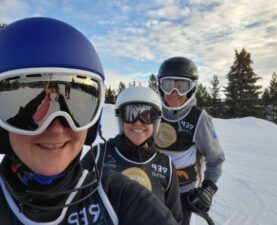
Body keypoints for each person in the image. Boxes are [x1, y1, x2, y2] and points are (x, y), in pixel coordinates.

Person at [0, 17, 179, 225]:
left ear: (93, 124)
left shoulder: (119, 199)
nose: (56, 129)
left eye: (78, 108)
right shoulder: (101, 155)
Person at [154, 56, 225, 225]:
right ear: (160, 86)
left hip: (182, 192)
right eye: (168, 85)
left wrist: (208, 187)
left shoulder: (198, 119)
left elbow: (216, 159)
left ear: (192, 88)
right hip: (152, 186)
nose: (174, 93)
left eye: (182, 87)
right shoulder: (153, 111)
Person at [97, 86, 182, 224]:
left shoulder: (166, 166)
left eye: (146, 115)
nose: (138, 122)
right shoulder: (99, 155)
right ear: (121, 118)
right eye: (131, 114)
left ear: (155, 121)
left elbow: (175, 219)